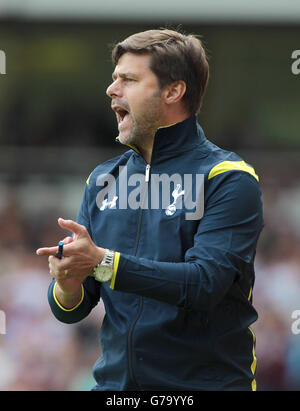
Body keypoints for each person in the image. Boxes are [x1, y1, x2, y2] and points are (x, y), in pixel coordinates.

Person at [36, 28, 264, 391]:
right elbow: (74, 308)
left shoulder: (228, 178)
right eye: (114, 79)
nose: (112, 90)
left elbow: (204, 284)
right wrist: (67, 281)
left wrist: (103, 262)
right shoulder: (103, 179)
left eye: (128, 79)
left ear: (173, 91)